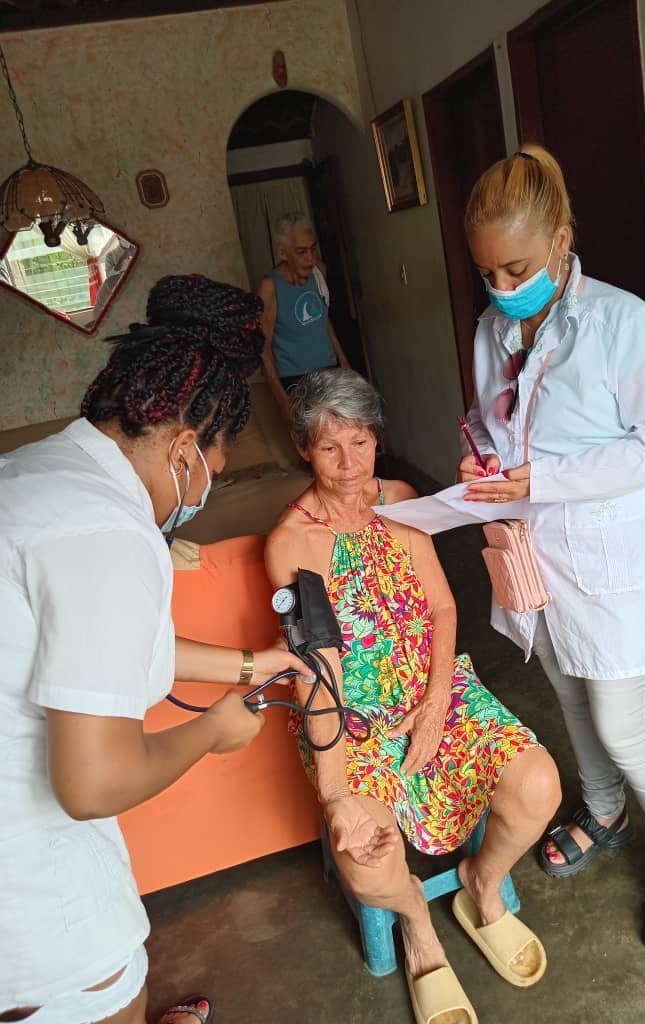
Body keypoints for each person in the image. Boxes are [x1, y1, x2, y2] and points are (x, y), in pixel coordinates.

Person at [0, 274, 312, 1024]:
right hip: (34, 904)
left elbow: (96, 649)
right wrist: (212, 731)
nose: (203, 492)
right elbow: (93, 782)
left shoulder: (39, 473)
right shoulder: (110, 533)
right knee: (110, 1001)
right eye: (214, 468)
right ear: (184, 449)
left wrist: (248, 664)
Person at [457, 145, 645, 957]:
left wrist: (551, 474)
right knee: (569, 695)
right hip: (535, 553)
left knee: (624, 721)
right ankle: (602, 810)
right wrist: (484, 459)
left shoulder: (623, 323)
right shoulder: (491, 328)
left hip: (606, 556)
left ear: (562, 239)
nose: (503, 291)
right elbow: (490, 418)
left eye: (518, 269)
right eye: (489, 275)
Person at [266, 368, 561, 1024]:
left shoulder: (400, 500)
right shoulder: (292, 544)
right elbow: (318, 672)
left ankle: (481, 887)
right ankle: (415, 926)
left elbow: (442, 608)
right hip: (353, 717)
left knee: (539, 784)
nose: (349, 465)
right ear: (302, 449)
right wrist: (337, 793)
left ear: (377, 440)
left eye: (361, 442)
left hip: (438, 686)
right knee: (365, 855)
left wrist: (433, 706)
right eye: (328, 447)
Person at [257, 213, 349, 421]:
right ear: (283, 253)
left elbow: (323, 319)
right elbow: (263, 347)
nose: (310, 258)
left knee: (337, 431)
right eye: (301, 252)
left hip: (328, 369)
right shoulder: (270, 287)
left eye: (312, 249)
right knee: (311, 442)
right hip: (295, 379)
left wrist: (343, 360)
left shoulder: (318, 272)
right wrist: (282, 400)